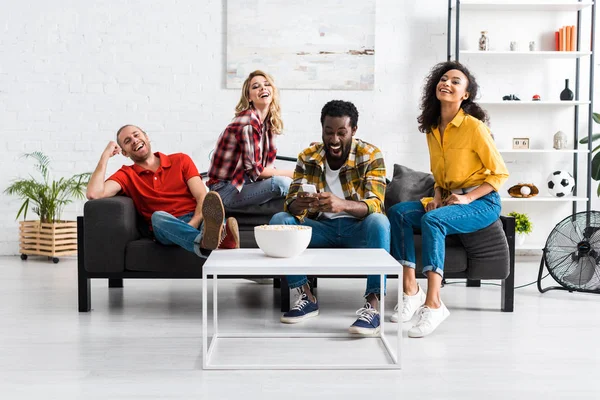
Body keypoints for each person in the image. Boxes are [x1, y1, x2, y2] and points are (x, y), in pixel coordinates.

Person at [387, 61, 509, 338]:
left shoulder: (474, 127)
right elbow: (440, 176)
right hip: (450, 198)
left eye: (456, 82)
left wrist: (468, 199)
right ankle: (411, 290)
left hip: (482, 202)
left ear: (465, 95)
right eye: (444, 79)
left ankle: (434, 303)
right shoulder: (433, 129)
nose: (448, 83)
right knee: (398, 213)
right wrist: (437, 196)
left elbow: (500, 172)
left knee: (433, 221)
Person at [270, 100, 389, 336]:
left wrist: (341, 204)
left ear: (353, 131)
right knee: (279, 221)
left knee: (380, 221)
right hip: (320, 229)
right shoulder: (308, 156)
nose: (334, 140)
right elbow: (290, 204)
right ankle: (304, 295)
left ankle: (374, 305)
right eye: (329, 132)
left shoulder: (370, 154)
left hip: (357, 230)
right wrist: (299, 204)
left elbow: (376, 203)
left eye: (341, 133)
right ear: (322, 128)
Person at [87, 124, 240, 258]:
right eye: (127, 141)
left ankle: (213, 241)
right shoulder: (126, 175)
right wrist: (105, 156)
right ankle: (213, 241)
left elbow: (202, 197)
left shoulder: (181, 160)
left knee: (211, 218)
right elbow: (94, 194)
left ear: (146, 137)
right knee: (158, 217)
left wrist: (192, 223)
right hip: (166, 227)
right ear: (125, 153)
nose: (134, 140)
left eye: (136, 135)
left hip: (197, 218)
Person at [207, 70, 293, 209]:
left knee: (289, 183)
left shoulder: (269, 124)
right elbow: (257, 171)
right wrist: (293, 174)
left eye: (267, 84)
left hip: (245, 183)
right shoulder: (247, 122)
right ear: (249, 97)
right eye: (256, 86)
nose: (263, 88)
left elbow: (268, 167)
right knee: (281, 183)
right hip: (224, 190)